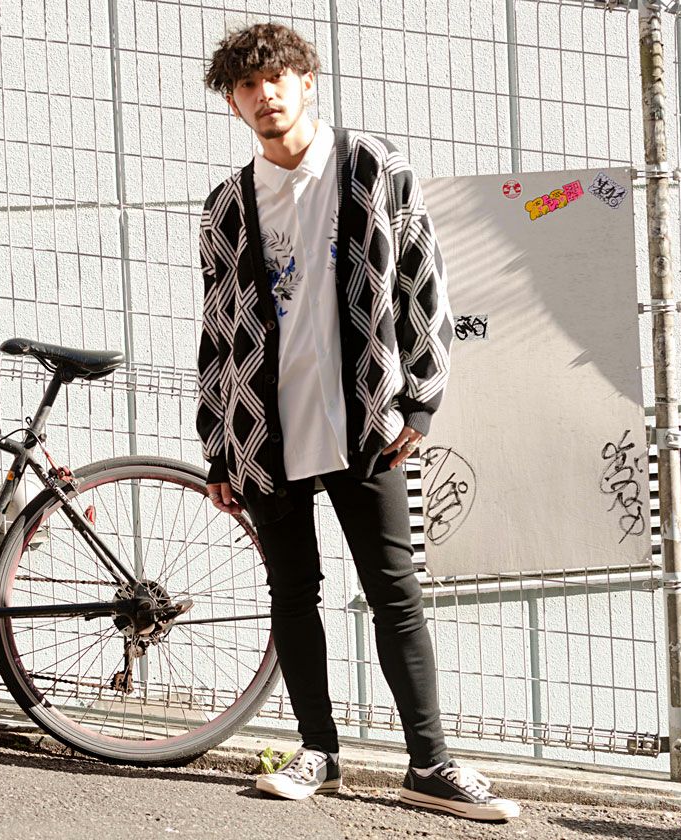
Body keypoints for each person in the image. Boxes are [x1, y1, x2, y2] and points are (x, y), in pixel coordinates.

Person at [196, 21, 519, 822]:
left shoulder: (372, 167)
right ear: (233, 104)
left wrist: (421, 400)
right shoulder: (227, 204)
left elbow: (422, 283)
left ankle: (430, 764)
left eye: (276, 78)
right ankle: (319, 752)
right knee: (291, 593)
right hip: (263, 429)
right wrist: (218, 446)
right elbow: (216, 327)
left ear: (307, 82)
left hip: (366, 418)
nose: (264, 95)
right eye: (246, 86)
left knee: (393, 591)